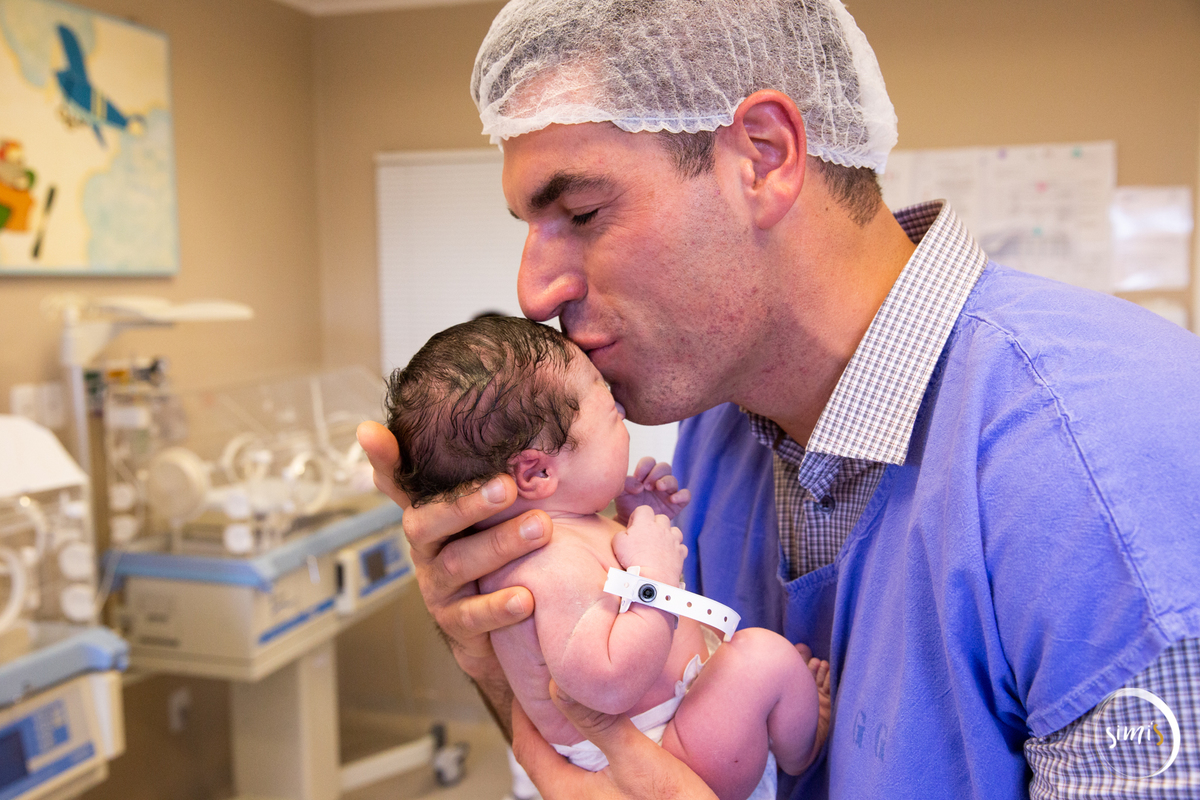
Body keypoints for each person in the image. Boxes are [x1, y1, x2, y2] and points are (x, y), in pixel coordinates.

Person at [356, 0, 1200, 797]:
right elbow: (653, 745)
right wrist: (501, 650)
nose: (533, 289)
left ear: (763, 155)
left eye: (580, 210)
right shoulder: (720, 428)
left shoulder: (1111, 464)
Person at [385, 315, 830, 800]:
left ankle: (786, 719)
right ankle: (800, 750)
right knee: (761, 657)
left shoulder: (563, 537)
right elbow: (606, 684)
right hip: (660, 752)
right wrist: (655, 574)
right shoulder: (546, 567)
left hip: (669, 734)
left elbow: (606, 600)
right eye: (610, 411)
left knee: (757, 663)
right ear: (537, 473)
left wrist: (639, 518)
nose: (621, 410)